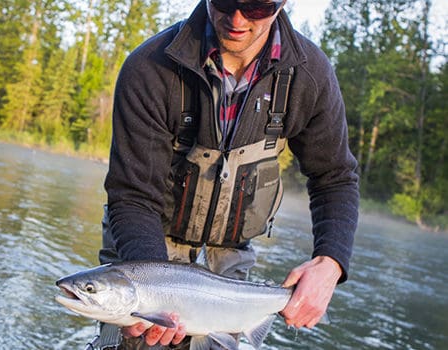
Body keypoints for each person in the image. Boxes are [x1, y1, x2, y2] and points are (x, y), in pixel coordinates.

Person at [96, 0, 359, 349]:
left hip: (230, 270)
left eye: (256, 7)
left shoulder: (309, 76)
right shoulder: (151, 67)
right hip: (144, 251)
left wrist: (330, 263)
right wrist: (157, 296)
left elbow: (335, 178)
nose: (236, 19)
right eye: (224, 0)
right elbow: (133, 196)